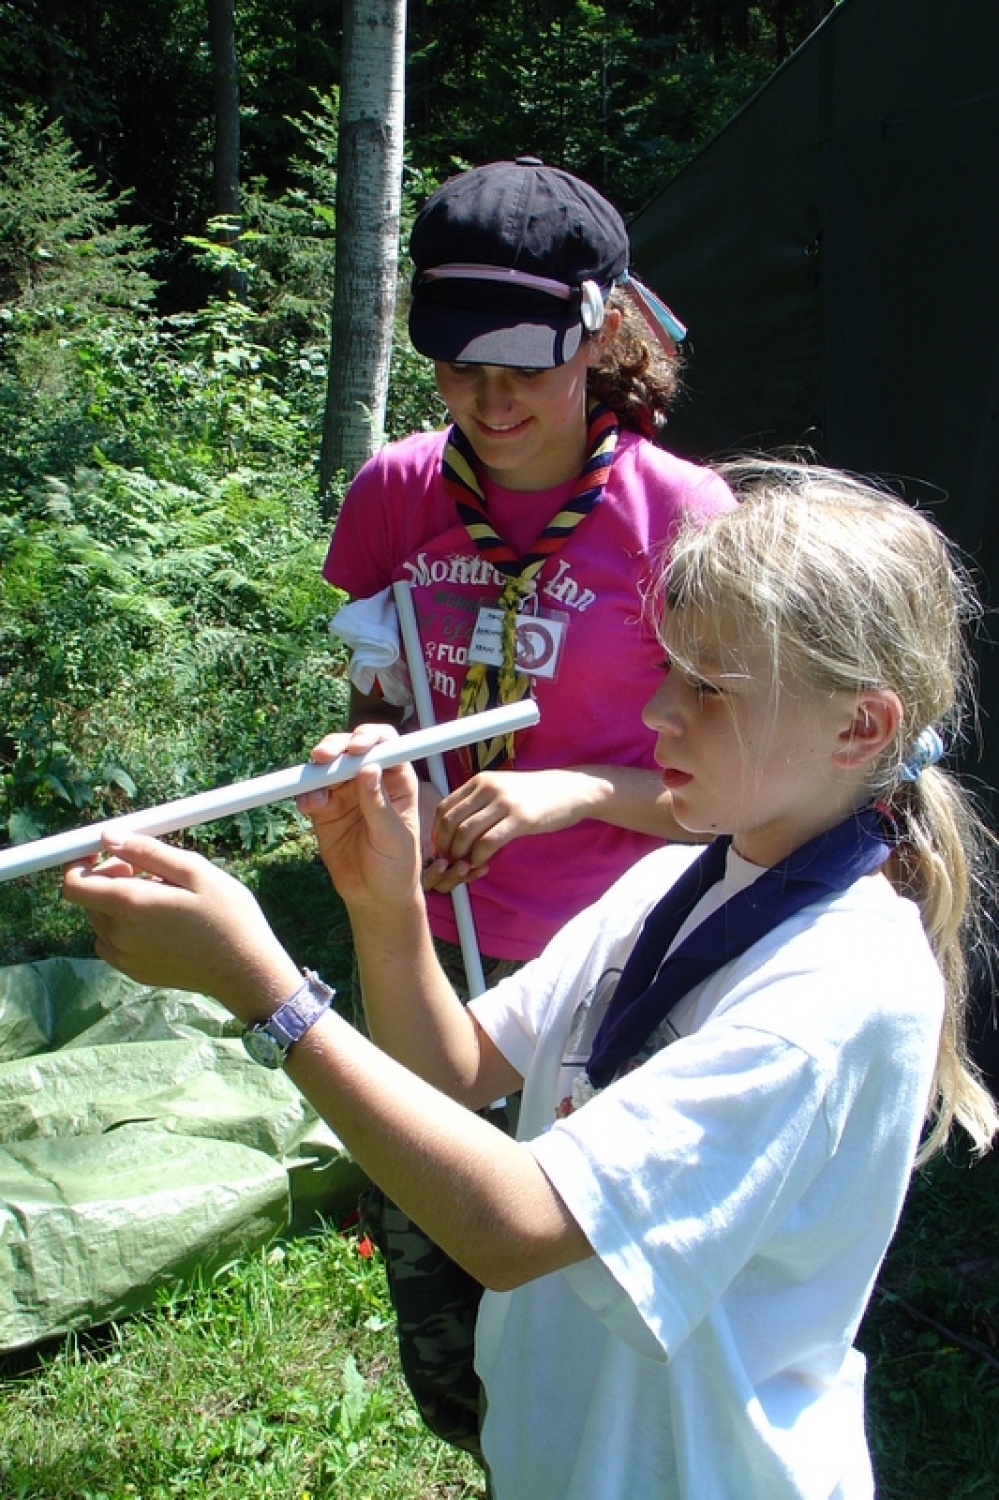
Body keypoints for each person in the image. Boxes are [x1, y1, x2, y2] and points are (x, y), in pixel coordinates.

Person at [64, 460, 998, 1500]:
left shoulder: (837, 988)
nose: (657, 712)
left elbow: (513, 1230)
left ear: (859, 727)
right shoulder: (673, 878)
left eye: (708, 689)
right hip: (564, 1453)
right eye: (670, 671)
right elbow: (452, 1069)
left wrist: (271, 997)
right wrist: (385, 902)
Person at [324, 156, 734, 980]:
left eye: (527, 371)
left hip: (621, 946)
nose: (490, 403)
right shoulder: (394, 493)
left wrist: (570, 791)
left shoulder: (684, 518)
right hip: (426, 929)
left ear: (602, 335)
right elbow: (377, 708)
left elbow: (735, 802)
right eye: (460, 368)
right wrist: (396, 785)